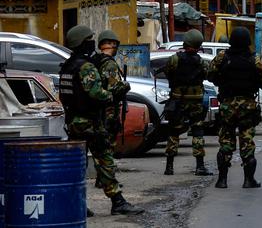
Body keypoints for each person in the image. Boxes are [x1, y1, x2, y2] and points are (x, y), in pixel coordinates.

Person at [59, 25, 143, 216]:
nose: (92, 43)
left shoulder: (67, 66)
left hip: (73, 121)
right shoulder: (85, 66)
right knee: (105, 160)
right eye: (89, 39)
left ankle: (76, 204)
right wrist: (114, 94)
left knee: (78, 164)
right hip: (90, 122)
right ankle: (117, 201)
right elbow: (97, 94)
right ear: (82, 42)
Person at [207, 27, 262, 189]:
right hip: (247, 106)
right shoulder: (255, 59)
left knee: (225, 142)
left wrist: (222, 81)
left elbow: (209, 75)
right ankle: (248, 180)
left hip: (227, 105)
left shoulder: (222, 57)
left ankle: (222, 180)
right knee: (247, 141)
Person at [155, 29, 211, 177]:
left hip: (178, 100)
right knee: (197, 132)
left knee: (174, 132)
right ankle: (200, 166)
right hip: (196, 102)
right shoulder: (201, 61)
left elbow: (168, 72)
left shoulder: (175, 59)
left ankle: (169, 167)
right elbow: (207, 75)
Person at [93, 30, 130, 157]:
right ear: (110, 44)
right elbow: (113, 88)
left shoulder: (95, 60)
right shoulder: (109, 64)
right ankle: (107, 173)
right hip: (108, 110)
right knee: (108, 145)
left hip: (97, 109)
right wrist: (125, 85)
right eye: (114, 44)